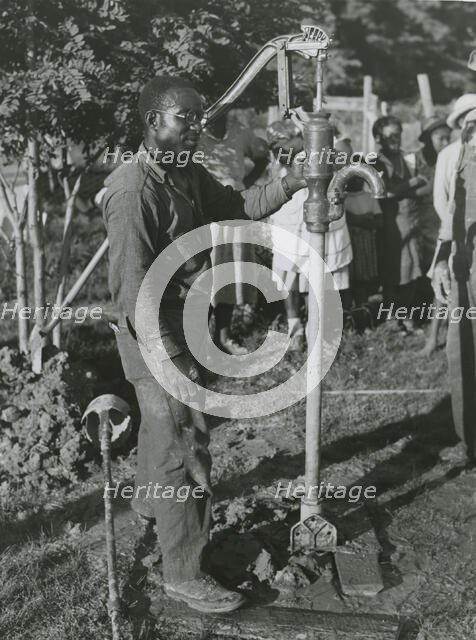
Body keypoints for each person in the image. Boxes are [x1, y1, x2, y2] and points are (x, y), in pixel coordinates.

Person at [102, 76, 306, 612]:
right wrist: (171, 362)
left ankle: (150, 511)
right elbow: (132, 292)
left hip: (185, 320)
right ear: (153, 122)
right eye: (183, 119)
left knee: (161, 434)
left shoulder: (185, 173)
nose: (195, 129)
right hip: (153, 333)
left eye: (197, 119)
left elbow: (238, 207)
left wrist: (293, 182)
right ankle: (184, 572)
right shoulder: (133, 192)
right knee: (186, 448)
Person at [267, 121, 353, 351]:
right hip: (291, 205)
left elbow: (345, 153)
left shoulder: (324, 131)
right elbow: (286, 155)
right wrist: (305, 143)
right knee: (290, 273)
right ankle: (294, 328)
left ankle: (315, 329)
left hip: (320, 202)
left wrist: (322, 140)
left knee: (317, 273)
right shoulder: (282, 133)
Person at [197, 114, 268, 355]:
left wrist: (245, 182)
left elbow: (262, 156)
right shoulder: (194, 134)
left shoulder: (239, 130)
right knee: (203, 271)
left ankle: (223, 335)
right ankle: (199, 337)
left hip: (234, 207)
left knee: (227, 270)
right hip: (204, 209)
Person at [432, 106, 476, 463]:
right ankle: (469, 441)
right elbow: (446, 206)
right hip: (465, 261)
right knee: (462, 348)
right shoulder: (454, 155)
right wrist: (442, 258)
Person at [373, 116, 426, 334]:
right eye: (390, 135)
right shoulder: (377, 161)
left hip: (412, 221)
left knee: (413, 270)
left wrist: (406, 189)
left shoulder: (409, 158)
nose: (395, 139)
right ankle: (391, 318)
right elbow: (385, 192)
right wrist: (413, 183)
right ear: (378, 138)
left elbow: (429, 186)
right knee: (393, 273)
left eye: (398, 134)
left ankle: (406, 317)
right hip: (391, 226)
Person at [409, 116, 451, 356]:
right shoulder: (413, 159)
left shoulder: (454, 156)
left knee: (442, 280)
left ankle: (438, 335)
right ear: (427, 139)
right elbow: (405, 190)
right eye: (439, 138)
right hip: (420, 222)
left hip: (442, 227)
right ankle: (430, 333)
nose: (444, 142)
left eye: (447, 137)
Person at [345, 174, 383, 307]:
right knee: (348, 281)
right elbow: (345, 220)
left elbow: (378, 222)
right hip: (348, 244)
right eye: (352, 178)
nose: (355, 182)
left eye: (359, 178)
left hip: (366, 245)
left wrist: (355, 221)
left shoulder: (369, 197)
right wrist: (365, 218)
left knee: (363, 281)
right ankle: (350, 315)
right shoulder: (343, 199)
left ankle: (363, 313)